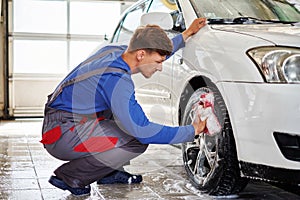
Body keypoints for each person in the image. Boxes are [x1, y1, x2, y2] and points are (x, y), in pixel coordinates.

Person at [41, 17, 207, 196]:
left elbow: (154, 49)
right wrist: (192, 130)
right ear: (141, 55)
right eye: (159, 62)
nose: (160, 68)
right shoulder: (116, 80)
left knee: (121, 114)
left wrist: (186, 34)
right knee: (136, 139)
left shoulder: (115, 51)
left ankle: (108, 172)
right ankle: (71, 176)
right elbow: (143, 131)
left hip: (63, 121)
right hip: (63, 134)